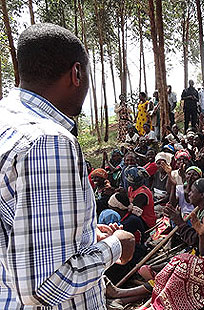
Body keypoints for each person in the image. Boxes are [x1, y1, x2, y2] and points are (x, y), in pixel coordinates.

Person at [0, 23, 135, 309]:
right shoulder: (47, 141)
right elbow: (44, 285)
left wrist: (82, 236)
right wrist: (115, 246)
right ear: (77, 73)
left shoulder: (6, 123)